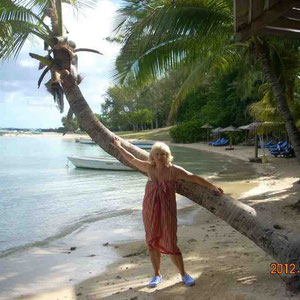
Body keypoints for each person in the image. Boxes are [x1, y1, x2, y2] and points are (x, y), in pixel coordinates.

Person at [111, 137, 223, 288]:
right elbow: (131, 159)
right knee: (152, 241)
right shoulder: (149, 168)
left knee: (171, 241)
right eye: (157, 154)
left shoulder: (174, 171)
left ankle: (183, 273)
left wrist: (213, 186)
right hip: (150, 210)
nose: (160, 157)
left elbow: (193, 178)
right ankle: (157, 274)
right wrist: (118, 146)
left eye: (163, 154)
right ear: (153, 156)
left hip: (167, 211)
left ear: (168, 156)